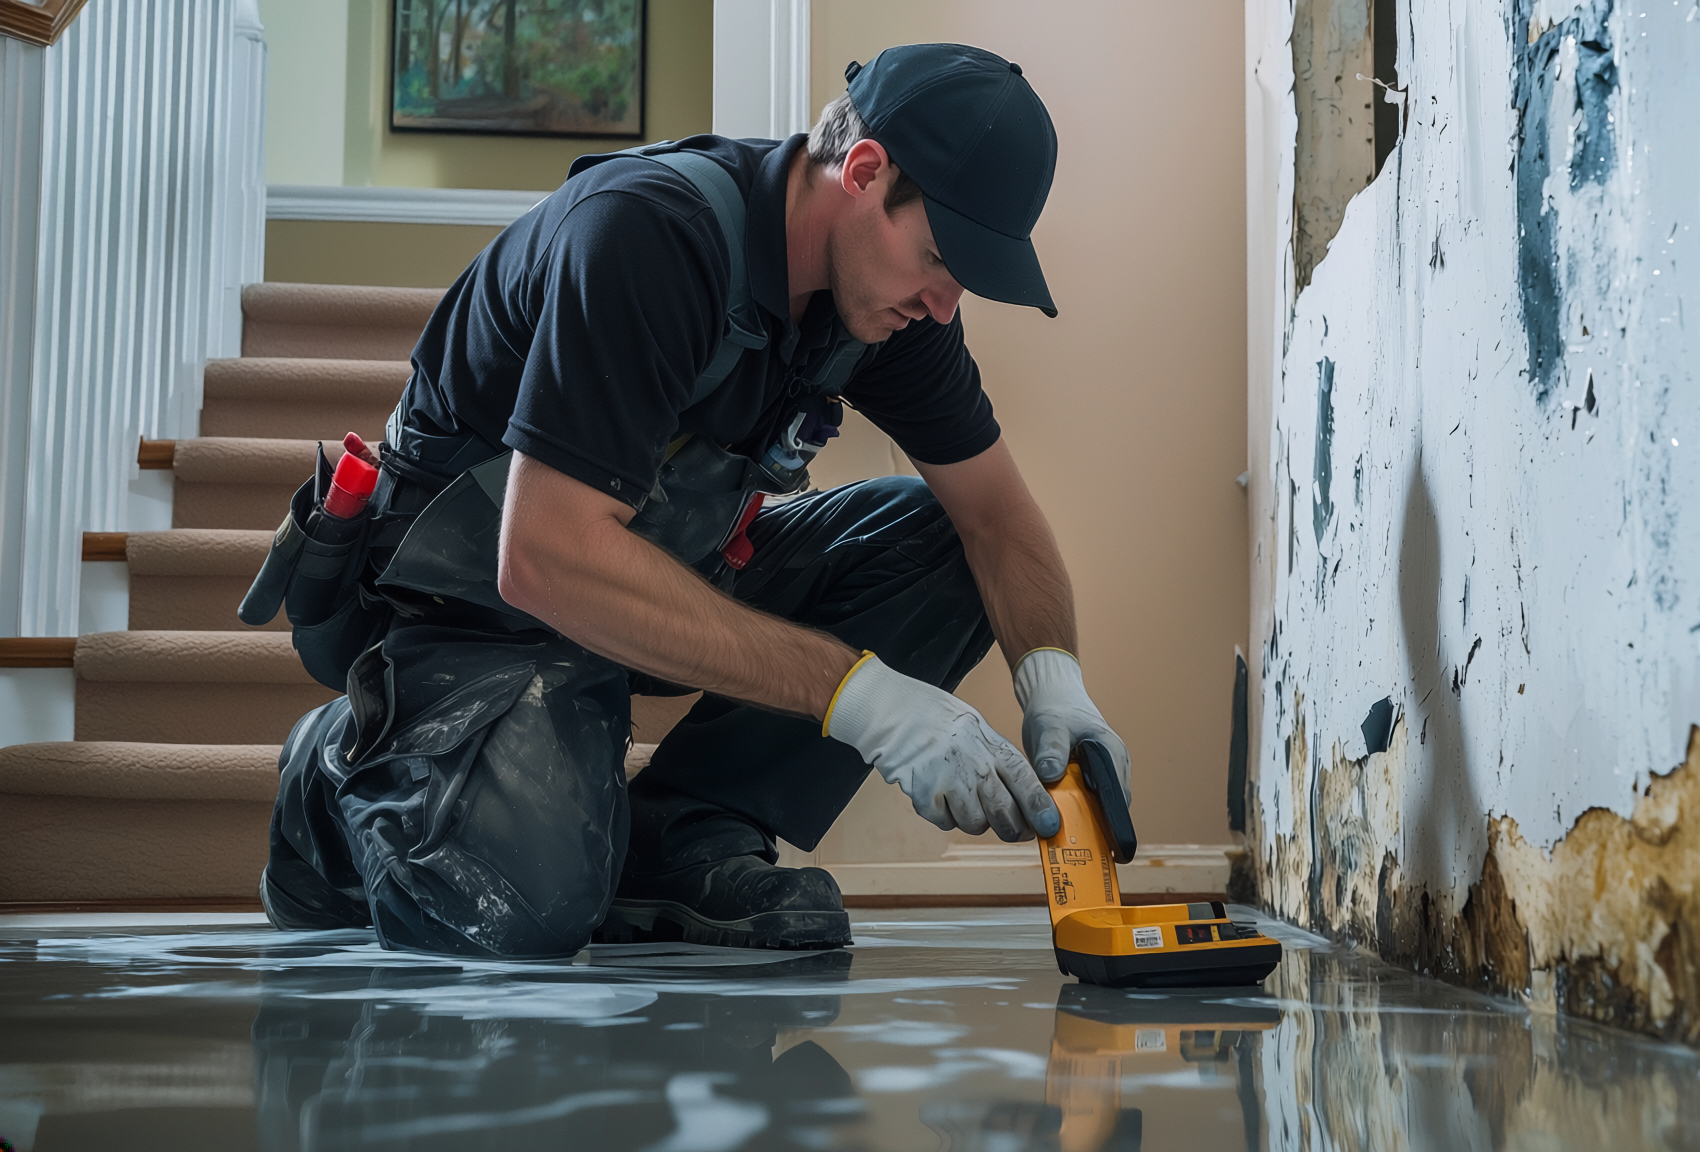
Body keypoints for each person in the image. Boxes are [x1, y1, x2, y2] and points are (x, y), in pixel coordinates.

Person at [255, 43, 1131, 959]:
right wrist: (864, 699)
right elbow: (544, 554)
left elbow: (997, 519)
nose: (947, 305)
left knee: (941, 541)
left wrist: (1055, 684)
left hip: (653, 567)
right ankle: (339, 771)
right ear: (865, 174)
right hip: (485, 605)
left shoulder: (885, 305)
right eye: (942, 258)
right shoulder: (646, 235)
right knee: (516, 911)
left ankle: (683, 836)